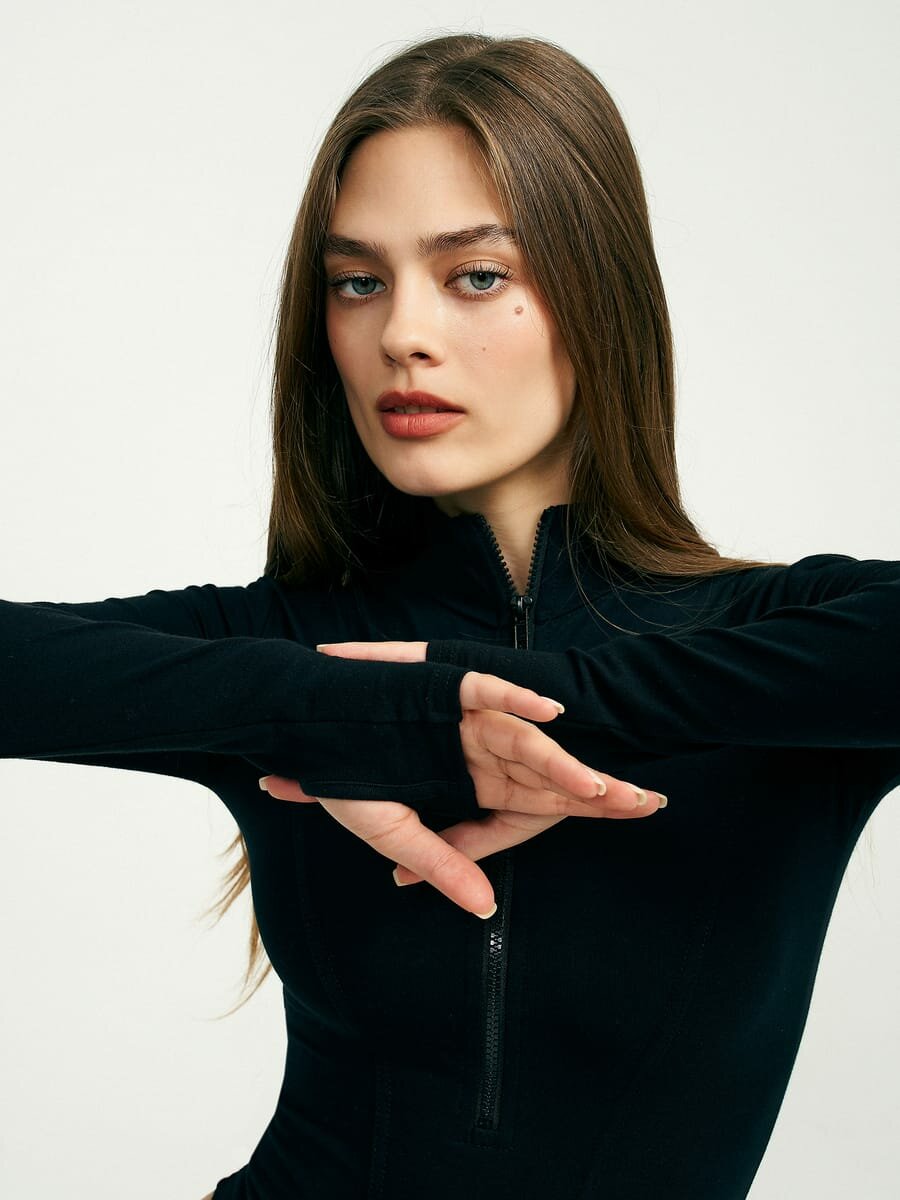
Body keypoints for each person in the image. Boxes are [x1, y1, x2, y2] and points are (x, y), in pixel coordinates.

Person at [2, 30, 898, 1200]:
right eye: (357, 281)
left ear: (597, 293)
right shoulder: (299, 652)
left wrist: (551, 709)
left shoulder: (774, 641)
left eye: (475, 274)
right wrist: (351, 713)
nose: (400, 334)